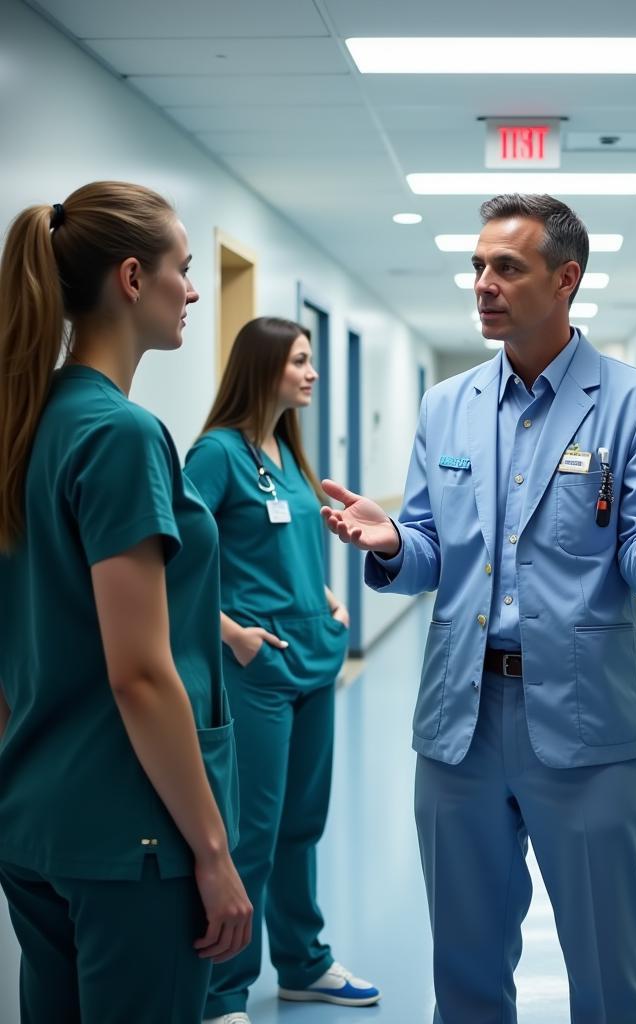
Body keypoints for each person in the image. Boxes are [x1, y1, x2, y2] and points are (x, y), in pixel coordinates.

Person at [321, 193, 636, 1024]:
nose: (483, 284)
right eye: (477, 266)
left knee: (608, 975)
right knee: (463, 972)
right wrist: (391, 542)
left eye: (507, 267)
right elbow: (429, 551)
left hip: (585, 728)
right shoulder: (447, 406)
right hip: (459, 724)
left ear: (566, 279)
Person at [0, 181, 252, 1024]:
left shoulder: (28, 420)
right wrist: (212, 853)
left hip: (40, 819)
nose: (193, 290)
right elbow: (141, 675)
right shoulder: (118, 433)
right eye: (185, 269)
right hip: (133, 836)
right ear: (134, 278)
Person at [185, 317, 379, 1023]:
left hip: (314, 659)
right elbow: (173, 560)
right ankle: (224, 990)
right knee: (254, 830)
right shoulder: (216, 455)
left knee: (303, 821)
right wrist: (232, 635)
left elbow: (290, 542)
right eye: (300, 360)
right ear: (263, 366)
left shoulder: (288, 453)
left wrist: (324, 596)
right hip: (256, 668)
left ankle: (304, 963)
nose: (312, 372)